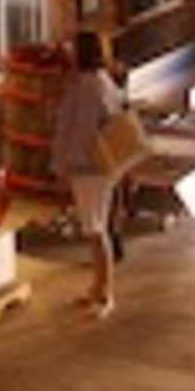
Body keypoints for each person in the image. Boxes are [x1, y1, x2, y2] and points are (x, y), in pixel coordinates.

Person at [47, 31, 147, 319]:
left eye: (72, 48)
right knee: (95, 227)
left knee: (95, 229)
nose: (67, 51)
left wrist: (61, 165)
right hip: (95, 167)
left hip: (88, 168)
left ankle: (106, 294)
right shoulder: (99, 81)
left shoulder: (88, 87)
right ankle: (96, 287)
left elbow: (81, 131)